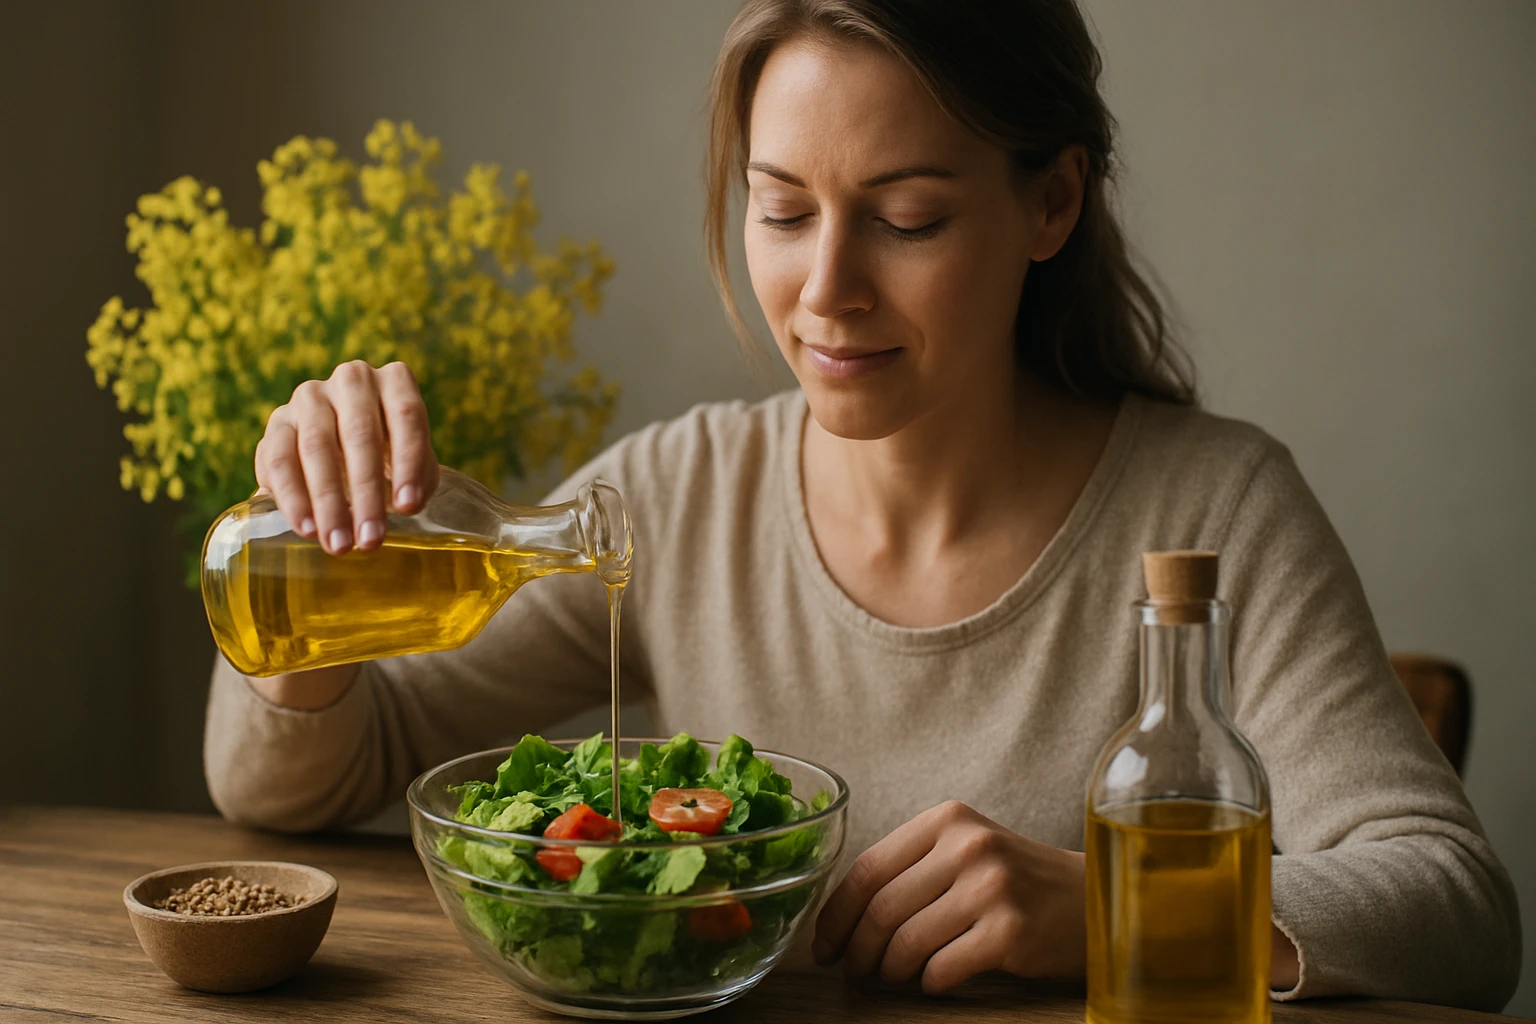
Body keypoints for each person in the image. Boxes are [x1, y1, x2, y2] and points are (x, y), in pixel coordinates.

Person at [203, 0, 1520, 1010]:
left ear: (1050, 200)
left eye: (906, 219)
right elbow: (312, 783)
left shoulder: (1213, 507)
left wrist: (1116, 908)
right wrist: (314, 569)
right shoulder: (671, 496)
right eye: (782, 212)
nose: (825, 290)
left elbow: (1459, 910)